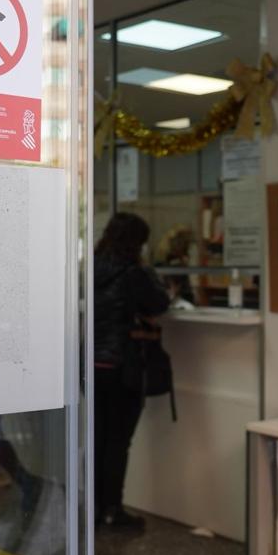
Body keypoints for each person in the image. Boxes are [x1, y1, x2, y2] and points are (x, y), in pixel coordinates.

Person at [93, 212, 172, 532]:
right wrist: (148, 273)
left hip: (92, 366)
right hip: (122, 367)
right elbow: (159, 304)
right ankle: (113, 509)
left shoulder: (93, 268)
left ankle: (95, 508)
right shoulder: (133, 273)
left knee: (98, 439)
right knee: (117, 442)